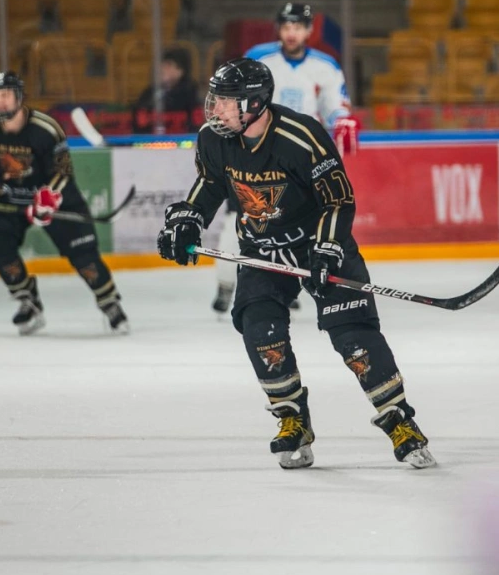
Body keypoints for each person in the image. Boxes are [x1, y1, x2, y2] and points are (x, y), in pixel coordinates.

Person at [157, 57, 435, 470]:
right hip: (261, 248)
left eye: (227, 101)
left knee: (353, 334)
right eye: (216, 99)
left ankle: (399, 421)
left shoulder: (301, 136)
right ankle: (292, 419)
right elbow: (211, 184)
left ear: (254, 104)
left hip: (318, 245)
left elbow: (338, 201)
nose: (216, 109)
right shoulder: (212, 138)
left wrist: (327, 248)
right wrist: (189, 220)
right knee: (260, 329)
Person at [0, 71, 129, 336]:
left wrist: (47, 198)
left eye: (6, 95)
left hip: (57, 198)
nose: (0, 101)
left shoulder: (46, 129)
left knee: (84, 255)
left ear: (19, 97)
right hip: (13, 196)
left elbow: (62, 172)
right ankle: (28, 301)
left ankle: (109, 302)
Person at [207, 2, 360, 314]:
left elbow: (334, 104)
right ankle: (225, 283)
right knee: (241, 216)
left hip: (301, 158)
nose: (292, 33)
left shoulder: (325, 65)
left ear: (308, 30)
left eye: (298, 27)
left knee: (293, 221)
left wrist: (341, 119)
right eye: (287, 26)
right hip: (256, 152)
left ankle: (286, 283)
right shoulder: (259, 57)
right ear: (278, 28)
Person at [132, 48, 199, 134]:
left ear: (180, 71)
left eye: (168, 65)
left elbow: (195, 124)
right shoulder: (149, 93)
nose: (162, 69)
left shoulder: (189, 93)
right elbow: (139, 117)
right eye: (162, 65)